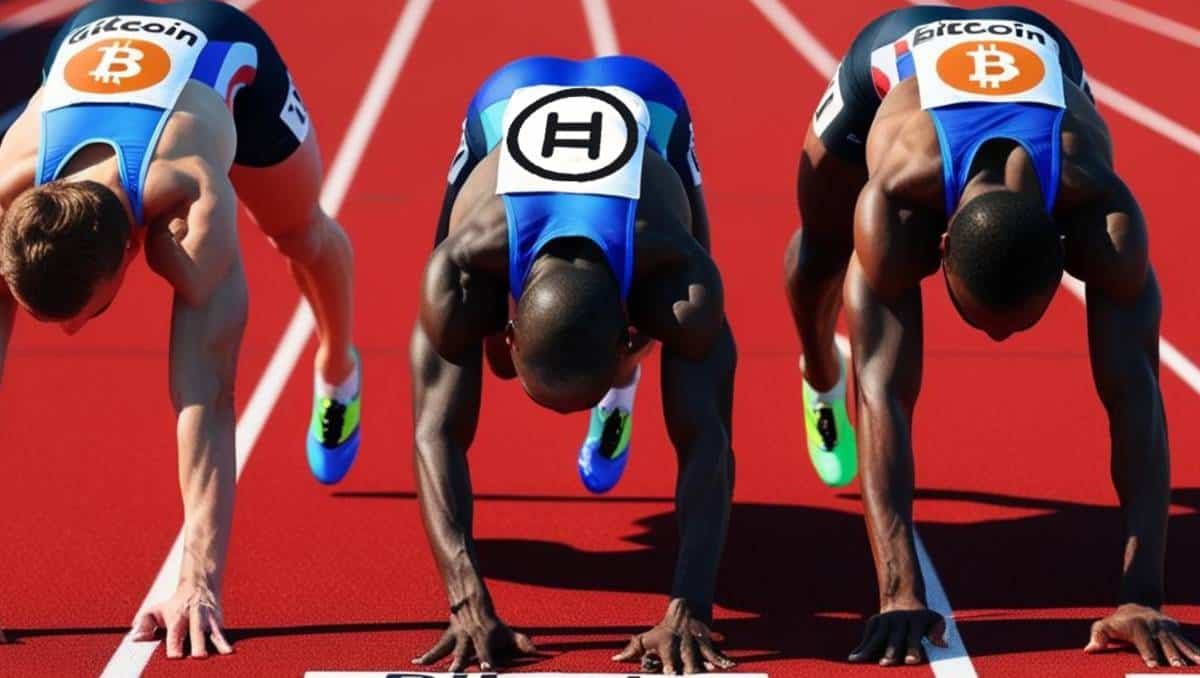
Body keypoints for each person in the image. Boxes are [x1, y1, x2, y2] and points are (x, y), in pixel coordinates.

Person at [783, 5, 1198, 668]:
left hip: (1041, 51)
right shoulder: (894, 203)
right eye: (980, 320)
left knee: (1129, 369)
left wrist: (1142, 596)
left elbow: (1137, 397)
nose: (999, 341)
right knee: (821, 251)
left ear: (1065, 249)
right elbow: (882, 395)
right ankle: (814, 371)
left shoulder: (1105, 216)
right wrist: (899, 593)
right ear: (939, 245)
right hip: (892, 53)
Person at [0, 0, 362, 656]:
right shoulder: (7, 196)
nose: (72, 336)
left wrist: (198, 579)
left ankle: (338, 367)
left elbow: (208, 398)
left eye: (87, 313)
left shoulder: (191, 209)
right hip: (93, 28)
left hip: (219, 47)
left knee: (298, 232)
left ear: (132, 251)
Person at [410, 55, 737, 674]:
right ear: (509, 331)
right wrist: (466, 601)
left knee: (693, 332)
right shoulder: (459, 269)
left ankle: (621, 391)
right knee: (458, 340)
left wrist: (690, 607)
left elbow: (709, 438)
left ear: (629, 336)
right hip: (503, 99)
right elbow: (435, 432)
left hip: (651, 103)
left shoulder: (681, 281)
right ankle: (567, 366)